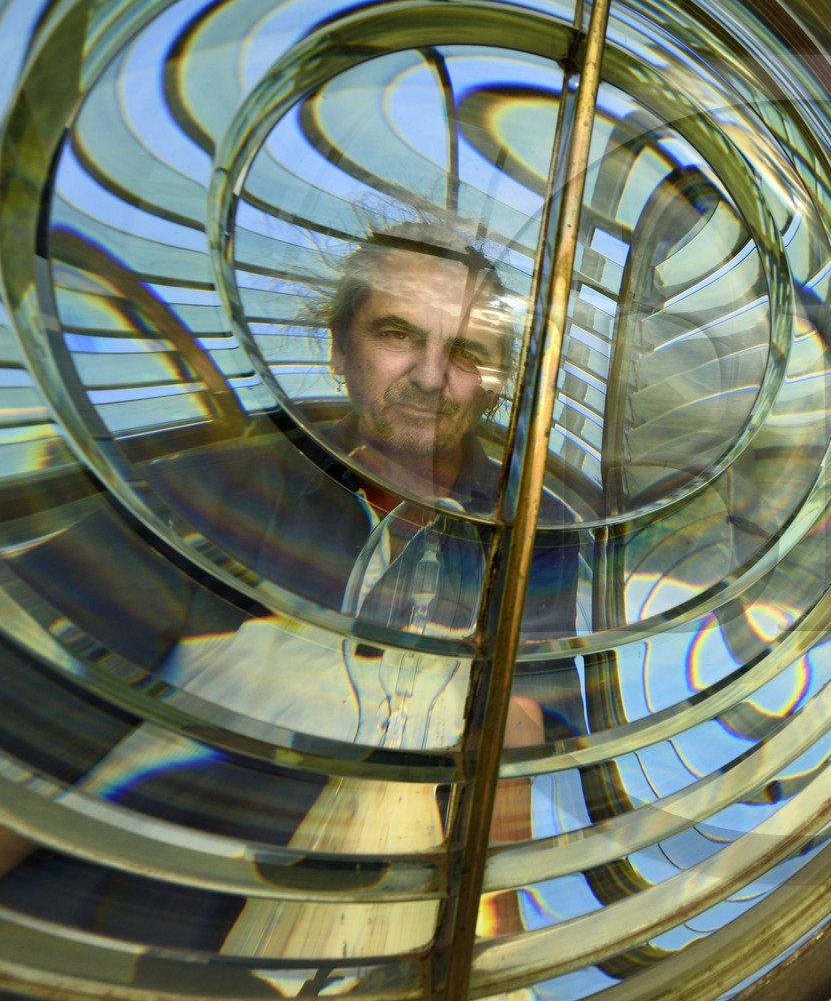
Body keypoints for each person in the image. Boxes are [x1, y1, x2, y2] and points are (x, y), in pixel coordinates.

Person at [0, 218, 580, 958]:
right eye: (398, 334)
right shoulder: (214, 489)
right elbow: (35, 721)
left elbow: (515, 754)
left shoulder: (536, 540)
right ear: (340, 348)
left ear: (498, 381)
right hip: (119, 940)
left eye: (466, 352)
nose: (432, 377)